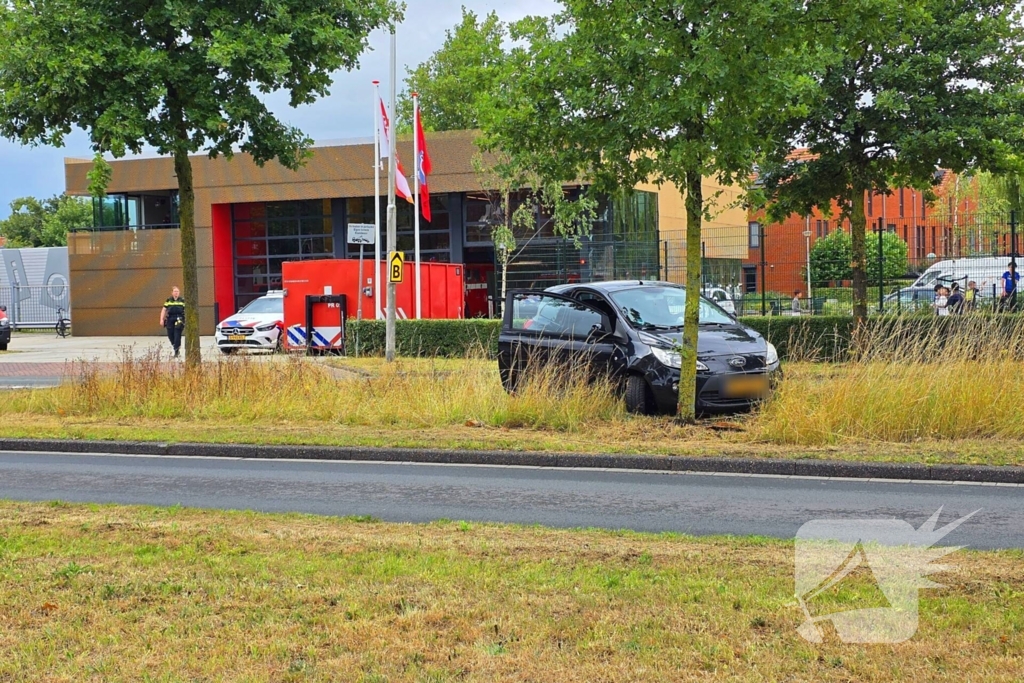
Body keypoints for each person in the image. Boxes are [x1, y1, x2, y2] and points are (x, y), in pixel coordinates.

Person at [160, 286, 185, 358]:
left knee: (177, 334)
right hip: (170, 318)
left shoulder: (182, 300)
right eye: (175, 291)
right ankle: (175, 345)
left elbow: (186, 309)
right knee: (170, 334)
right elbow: (164, 310)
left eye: (177, 291)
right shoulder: (168, 300)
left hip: (179, 318)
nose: (176, 293)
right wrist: (161, 319)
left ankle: (176, 351)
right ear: (172, 293)